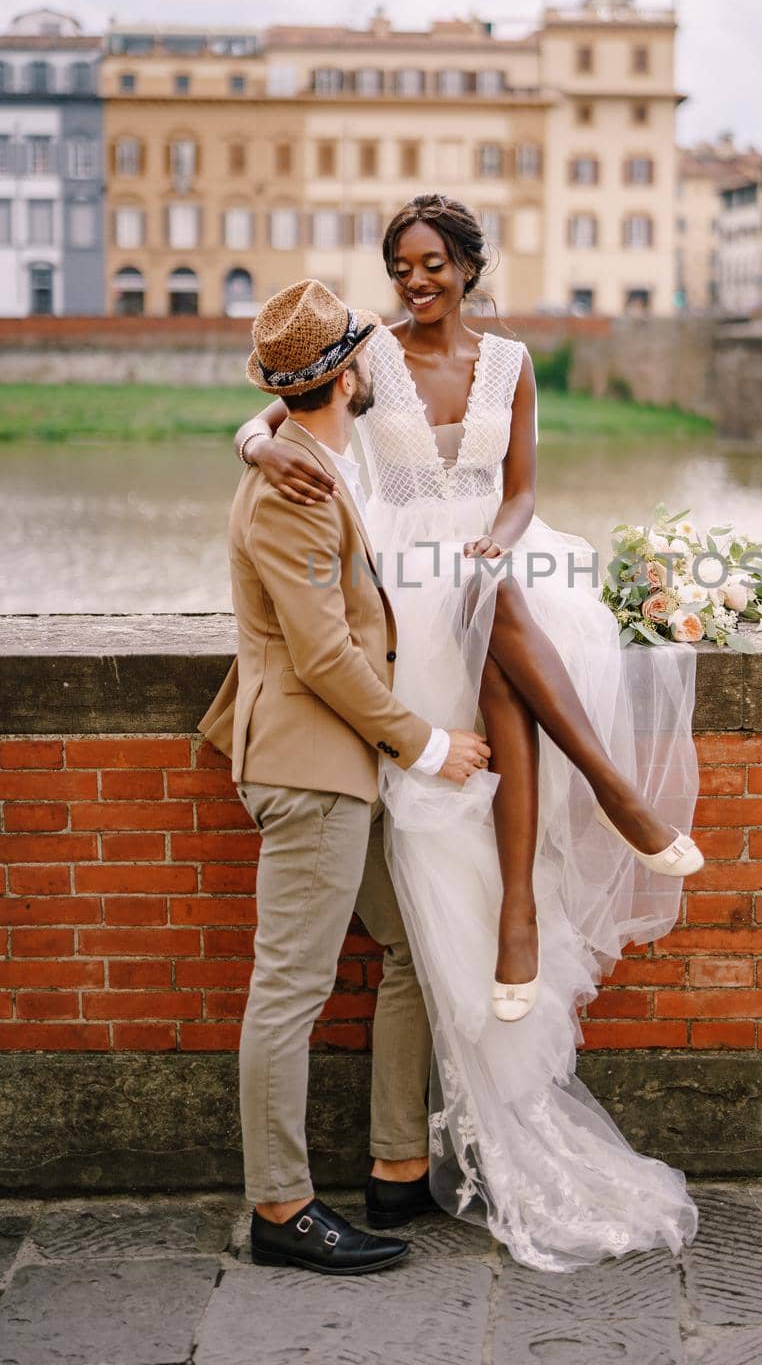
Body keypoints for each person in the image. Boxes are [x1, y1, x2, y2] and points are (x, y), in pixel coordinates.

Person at [236, 194, 703, 1271]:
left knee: (496, 603)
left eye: (432, 263)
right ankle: (608, 809)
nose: (415, 281)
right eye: (399, 266)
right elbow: (274, 412)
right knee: (426, 888)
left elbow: (523, 489)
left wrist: (494, 543)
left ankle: (524, 916)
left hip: (493, 574)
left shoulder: (512, 362)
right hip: (398, 602)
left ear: (467, 266)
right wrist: (254, 445)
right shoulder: (369, 360)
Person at [200, 278, 490, 1277]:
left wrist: (257, 429)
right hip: (312, 765)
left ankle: (396, 1164)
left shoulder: (313, 451)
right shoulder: (296, 493)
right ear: (347, 372)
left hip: (343, 763)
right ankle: (281, 1207)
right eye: (361, 352)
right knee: (289, 989)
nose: (374, 363)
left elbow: (271, 415)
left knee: (406, 941)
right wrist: (427, 744)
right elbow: (323, 657)